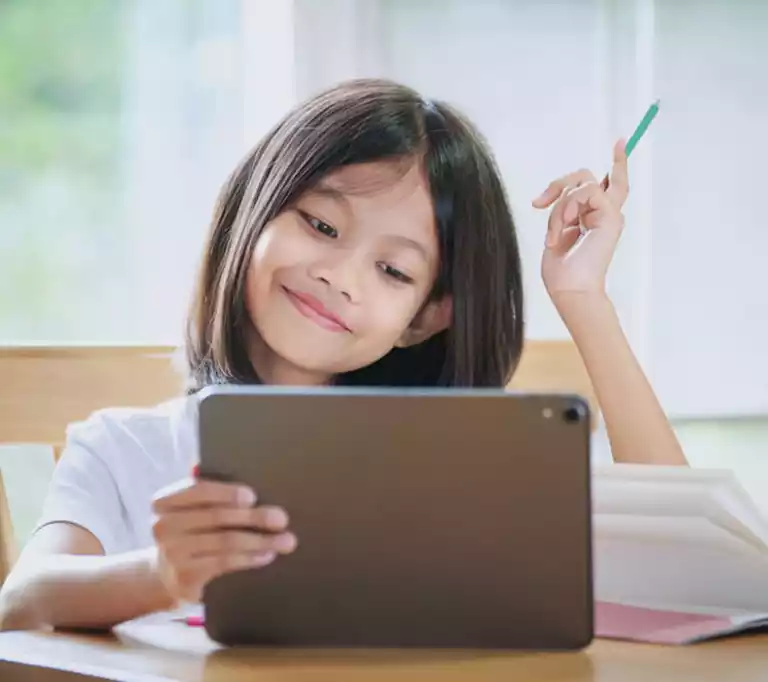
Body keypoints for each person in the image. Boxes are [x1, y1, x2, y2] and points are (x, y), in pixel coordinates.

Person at [0, 78, 687, 631]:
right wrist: (160, 576)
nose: (340, 275)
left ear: (425, 319)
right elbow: (22, 601)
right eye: (321, 224)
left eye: (394, 272)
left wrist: (582, 295)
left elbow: (680, 560)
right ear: (254, 211)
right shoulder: (124, 448)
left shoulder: (480, 462)